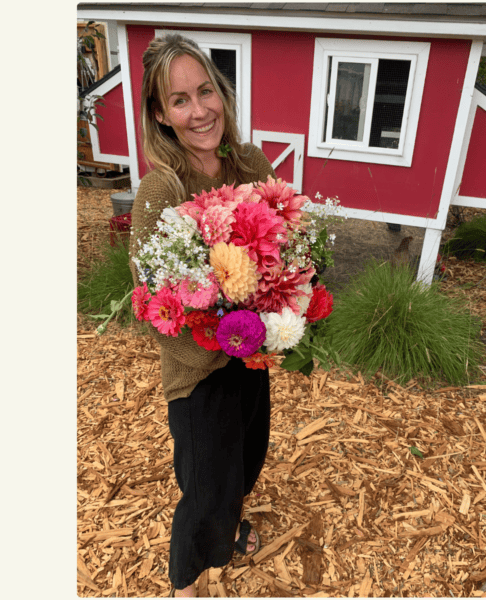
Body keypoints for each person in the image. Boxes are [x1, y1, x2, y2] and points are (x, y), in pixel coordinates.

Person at [129, 34, 276, 598]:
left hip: (253, 356)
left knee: (248, 454)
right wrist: (223, 339)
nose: (199, 111)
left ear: (221, 92)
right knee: (205, 485)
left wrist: (282, 313)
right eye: (180, 100)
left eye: (205, 91)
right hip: (199, 370)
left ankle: (231, 525)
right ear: (161, 115)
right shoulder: (160, 189)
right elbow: (152, 304)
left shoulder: (250, 163)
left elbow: (286, 246)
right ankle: (185, 583)